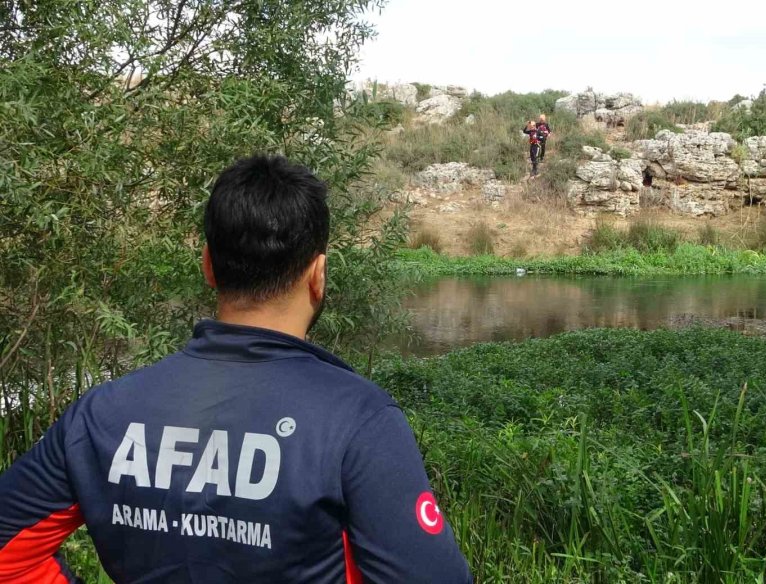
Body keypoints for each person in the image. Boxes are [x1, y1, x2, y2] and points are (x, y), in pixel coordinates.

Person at [0, 155, 473, 583]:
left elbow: (9, 552)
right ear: (318, 275)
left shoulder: (102, 412)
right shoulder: (359, 421)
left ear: (208, 266)